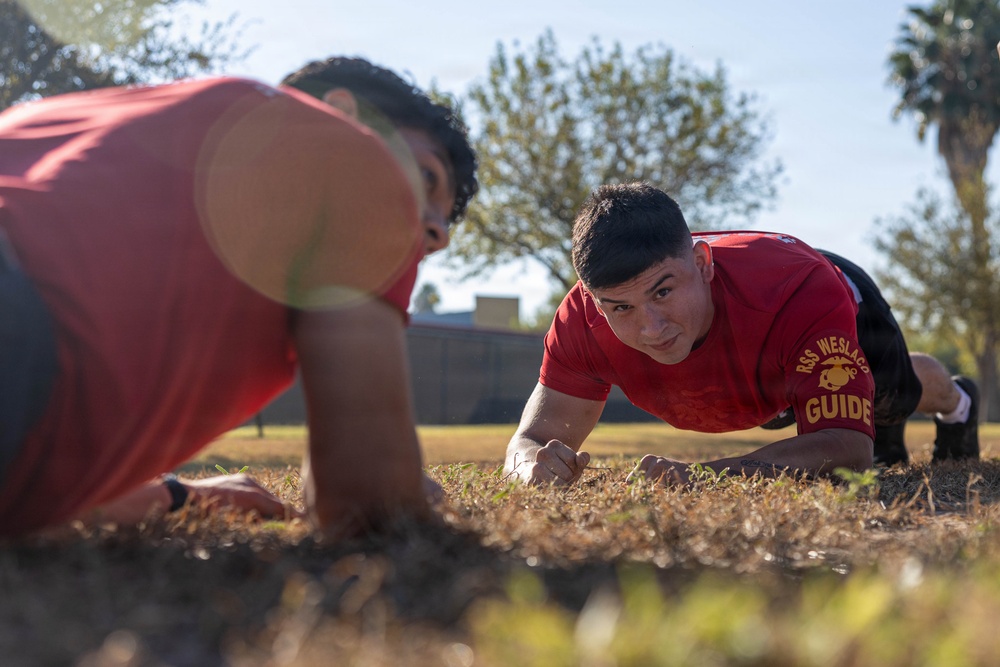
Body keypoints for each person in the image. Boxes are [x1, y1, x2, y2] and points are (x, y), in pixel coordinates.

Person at [0, 56, 478, 537]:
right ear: (344, 114)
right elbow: (369, 506)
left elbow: (33, 485)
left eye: (439, 229)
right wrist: (396, 481)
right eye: (428, 178)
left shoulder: (67, 124)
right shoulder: (355, 162)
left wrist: (179, 497)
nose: (434, 231)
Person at [504, 182, 979, 487]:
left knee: (890, 397)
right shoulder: (582, 320)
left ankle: (959, 403)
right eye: (621, 308)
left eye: (664, 292)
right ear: (593, 301)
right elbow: (531, 440)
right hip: (761, 376)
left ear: (703, 264)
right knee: (782, 413)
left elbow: (847, 447)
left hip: (832, 291)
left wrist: (704, 477)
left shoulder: (798, 294)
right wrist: (531, 466)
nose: (650, 328)